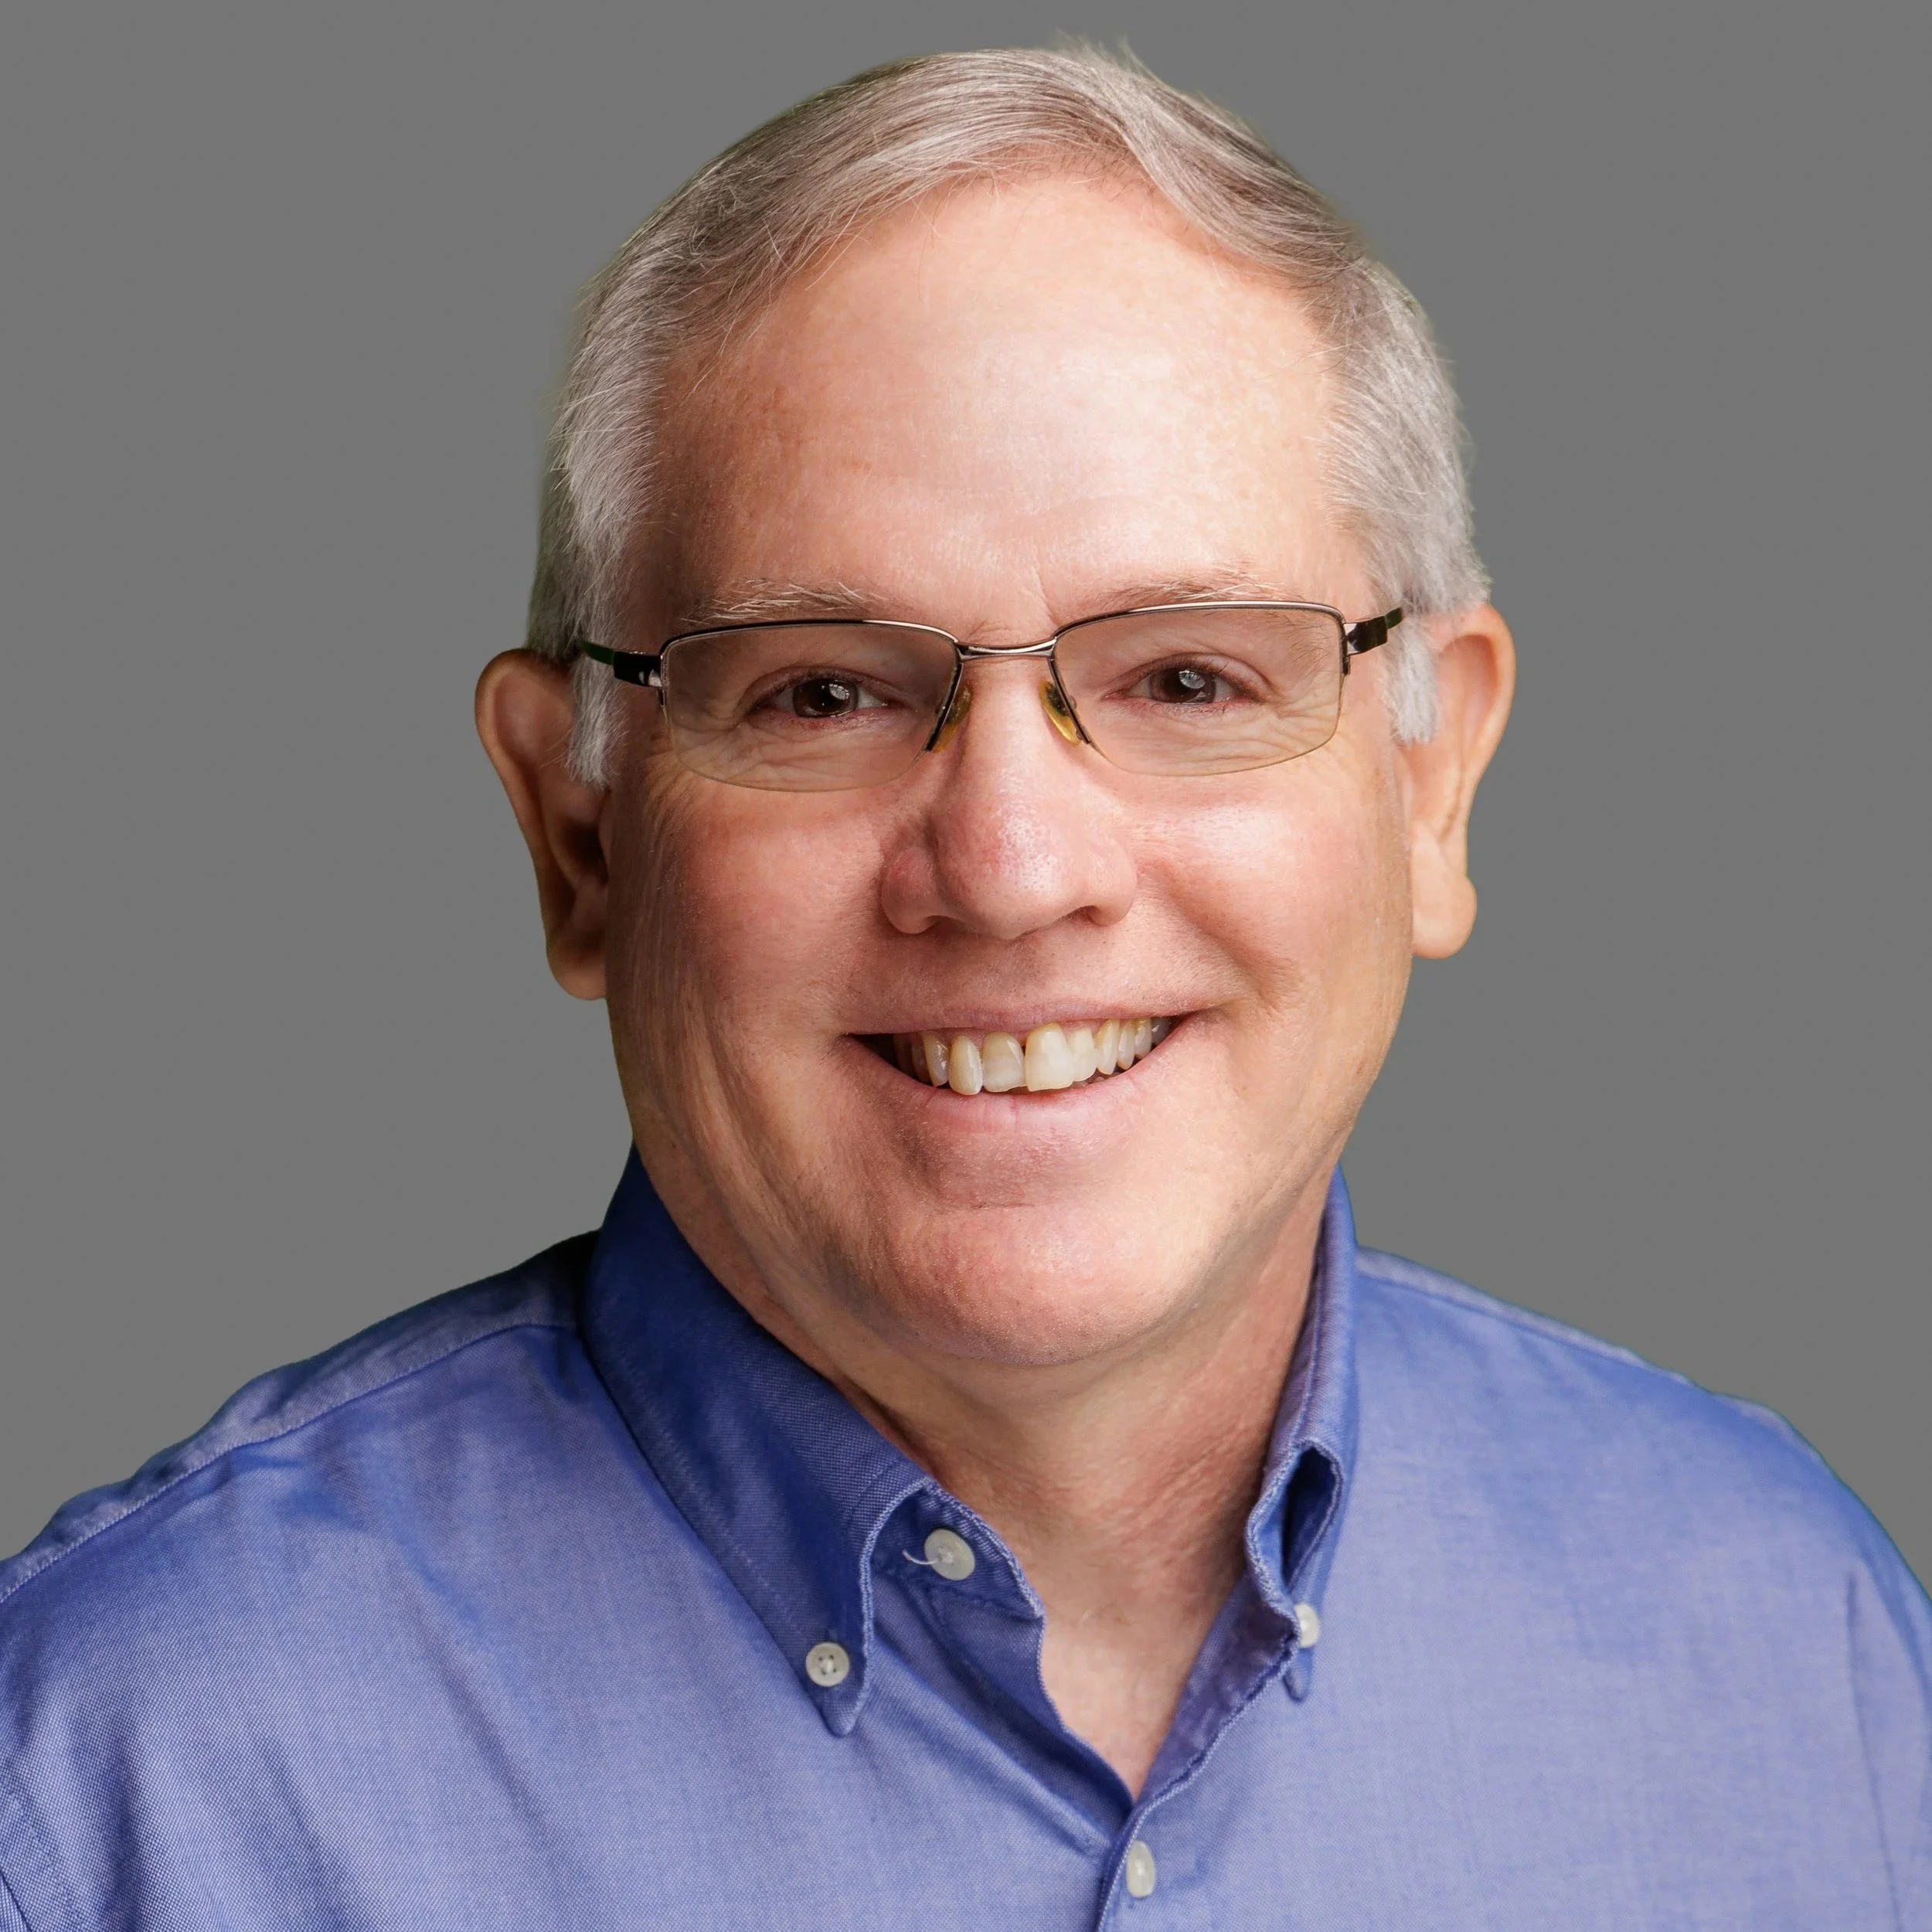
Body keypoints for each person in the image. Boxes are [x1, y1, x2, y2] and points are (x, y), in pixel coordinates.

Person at [1, 45, 1923, 1931]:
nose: (1010, 867)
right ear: (576, 831)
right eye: (823, 690)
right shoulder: (116, 1789)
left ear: (1429, 785)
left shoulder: (1794, 1651)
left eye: (1188, 676)